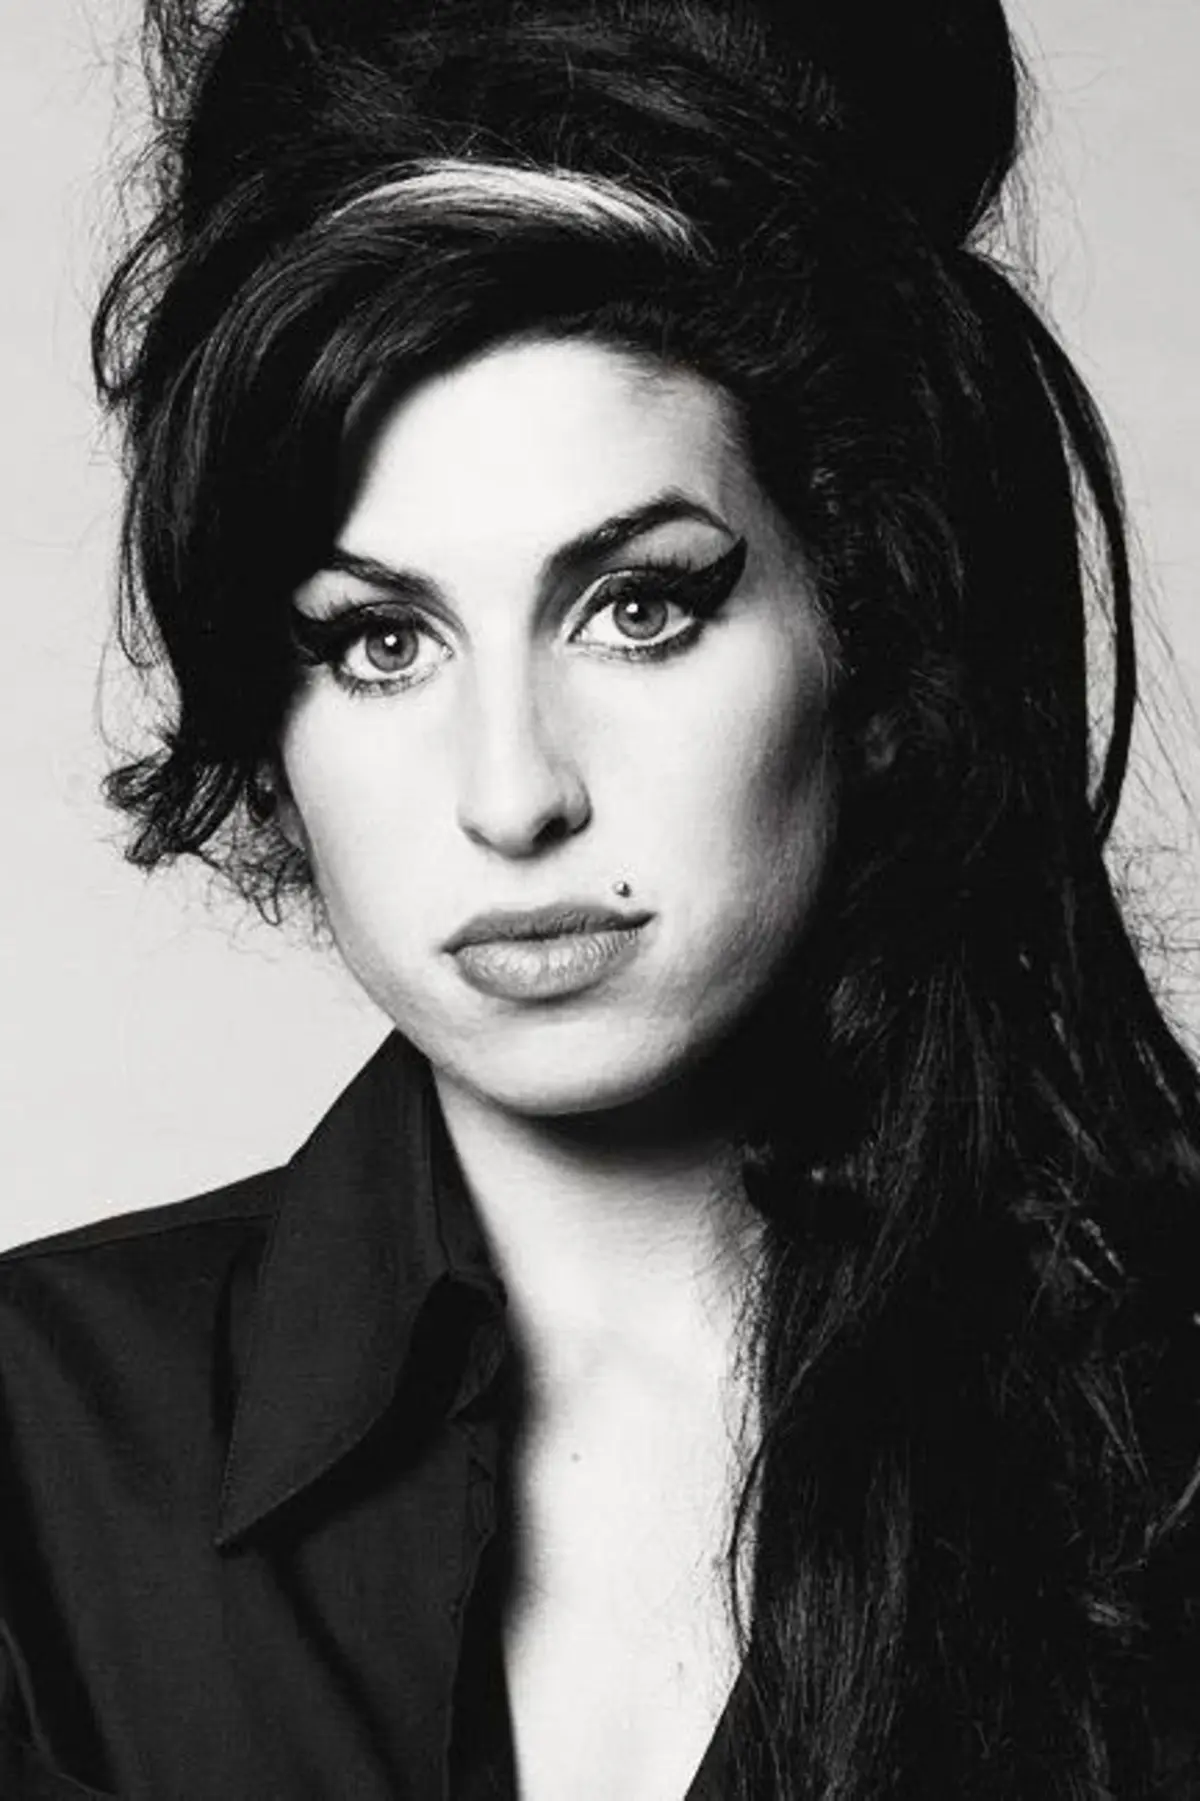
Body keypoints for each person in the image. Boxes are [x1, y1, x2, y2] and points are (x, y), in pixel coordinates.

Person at [2, 0, 1199, 1794]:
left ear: (873, 636)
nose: (512, 795)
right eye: (380, 641)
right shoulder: (38, 1449)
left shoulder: (1162, 1437)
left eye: (636, 608)